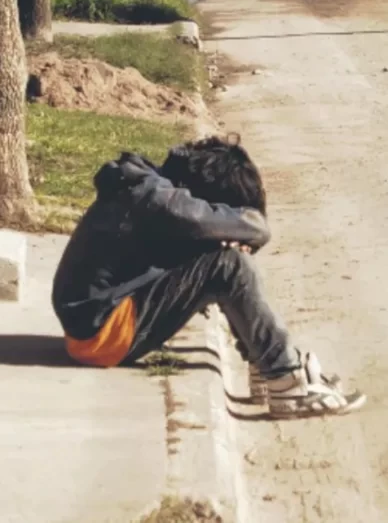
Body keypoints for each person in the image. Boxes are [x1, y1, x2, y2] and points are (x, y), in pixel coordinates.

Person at [51, 135, 364, 418]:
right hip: (101, 336)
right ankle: (286, 379)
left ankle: (265, 364)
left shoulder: (148, 189)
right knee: (229, 265)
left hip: (94, 324)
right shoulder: (161, 200)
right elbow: (257, 228)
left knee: (216, 255)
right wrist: (235, 227)